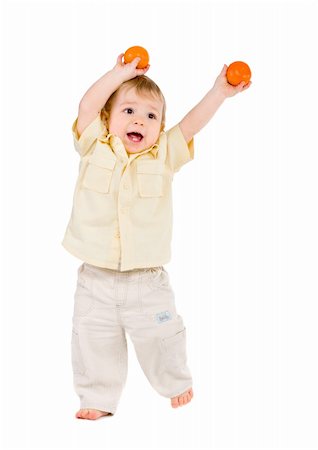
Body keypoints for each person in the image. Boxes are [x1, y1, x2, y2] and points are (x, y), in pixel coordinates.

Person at [62, 52, 251, 420]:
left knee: (162, 337)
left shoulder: (163, 153)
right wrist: (119, 73)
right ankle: (97, 398)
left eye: (152, 115)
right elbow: (87, 104)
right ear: (108, 117)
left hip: (146, 281)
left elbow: (191, 125)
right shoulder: (94, 144)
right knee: (93, 340)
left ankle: (175, 380)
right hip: (95, 277)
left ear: (160, 125)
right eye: (128, 111)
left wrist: (220, 92)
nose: (140, 121)